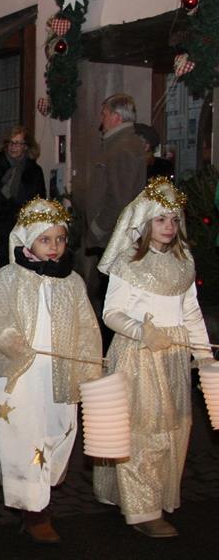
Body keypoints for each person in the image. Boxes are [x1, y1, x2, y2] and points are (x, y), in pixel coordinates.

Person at [0, 197, 102, 544]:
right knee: (22, 437)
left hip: (56, 376)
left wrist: (88, 367)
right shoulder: (9, 278)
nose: (54, 247)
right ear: (27, 241)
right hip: (20, 377)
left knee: (56, 432)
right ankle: (35, 511)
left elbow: (86, 327)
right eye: (45, 240)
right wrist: (10, 340)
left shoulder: (71, 282)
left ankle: (40, 498)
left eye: (59, 239)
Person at [92, 177, 212, 538]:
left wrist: (203, 354)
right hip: (140, 356)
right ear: (144, 222)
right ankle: (143, 510)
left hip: (173, 357)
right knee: (144, 432)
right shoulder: (130, 263)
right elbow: (111, 313)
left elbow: (190, 311)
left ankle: (151, 495)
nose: (169, 227)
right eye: (160, 219)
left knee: (176, 427)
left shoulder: (183, 261)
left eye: (174, 219)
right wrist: (143, 331)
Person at [0, 125, 46, 266]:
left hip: (23, 229)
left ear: (26, 146)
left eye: (18, 143)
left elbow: (40, 200)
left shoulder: (34, 171)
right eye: (11, 142)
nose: (14, 147)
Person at [84, 93, 147, 256]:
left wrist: (98, 228)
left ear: (116, 117)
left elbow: (119, 198)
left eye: (104, 114)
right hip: (111, 237)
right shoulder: (118, 144)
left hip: (114, 238)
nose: (101, 120)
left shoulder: (123, 148)